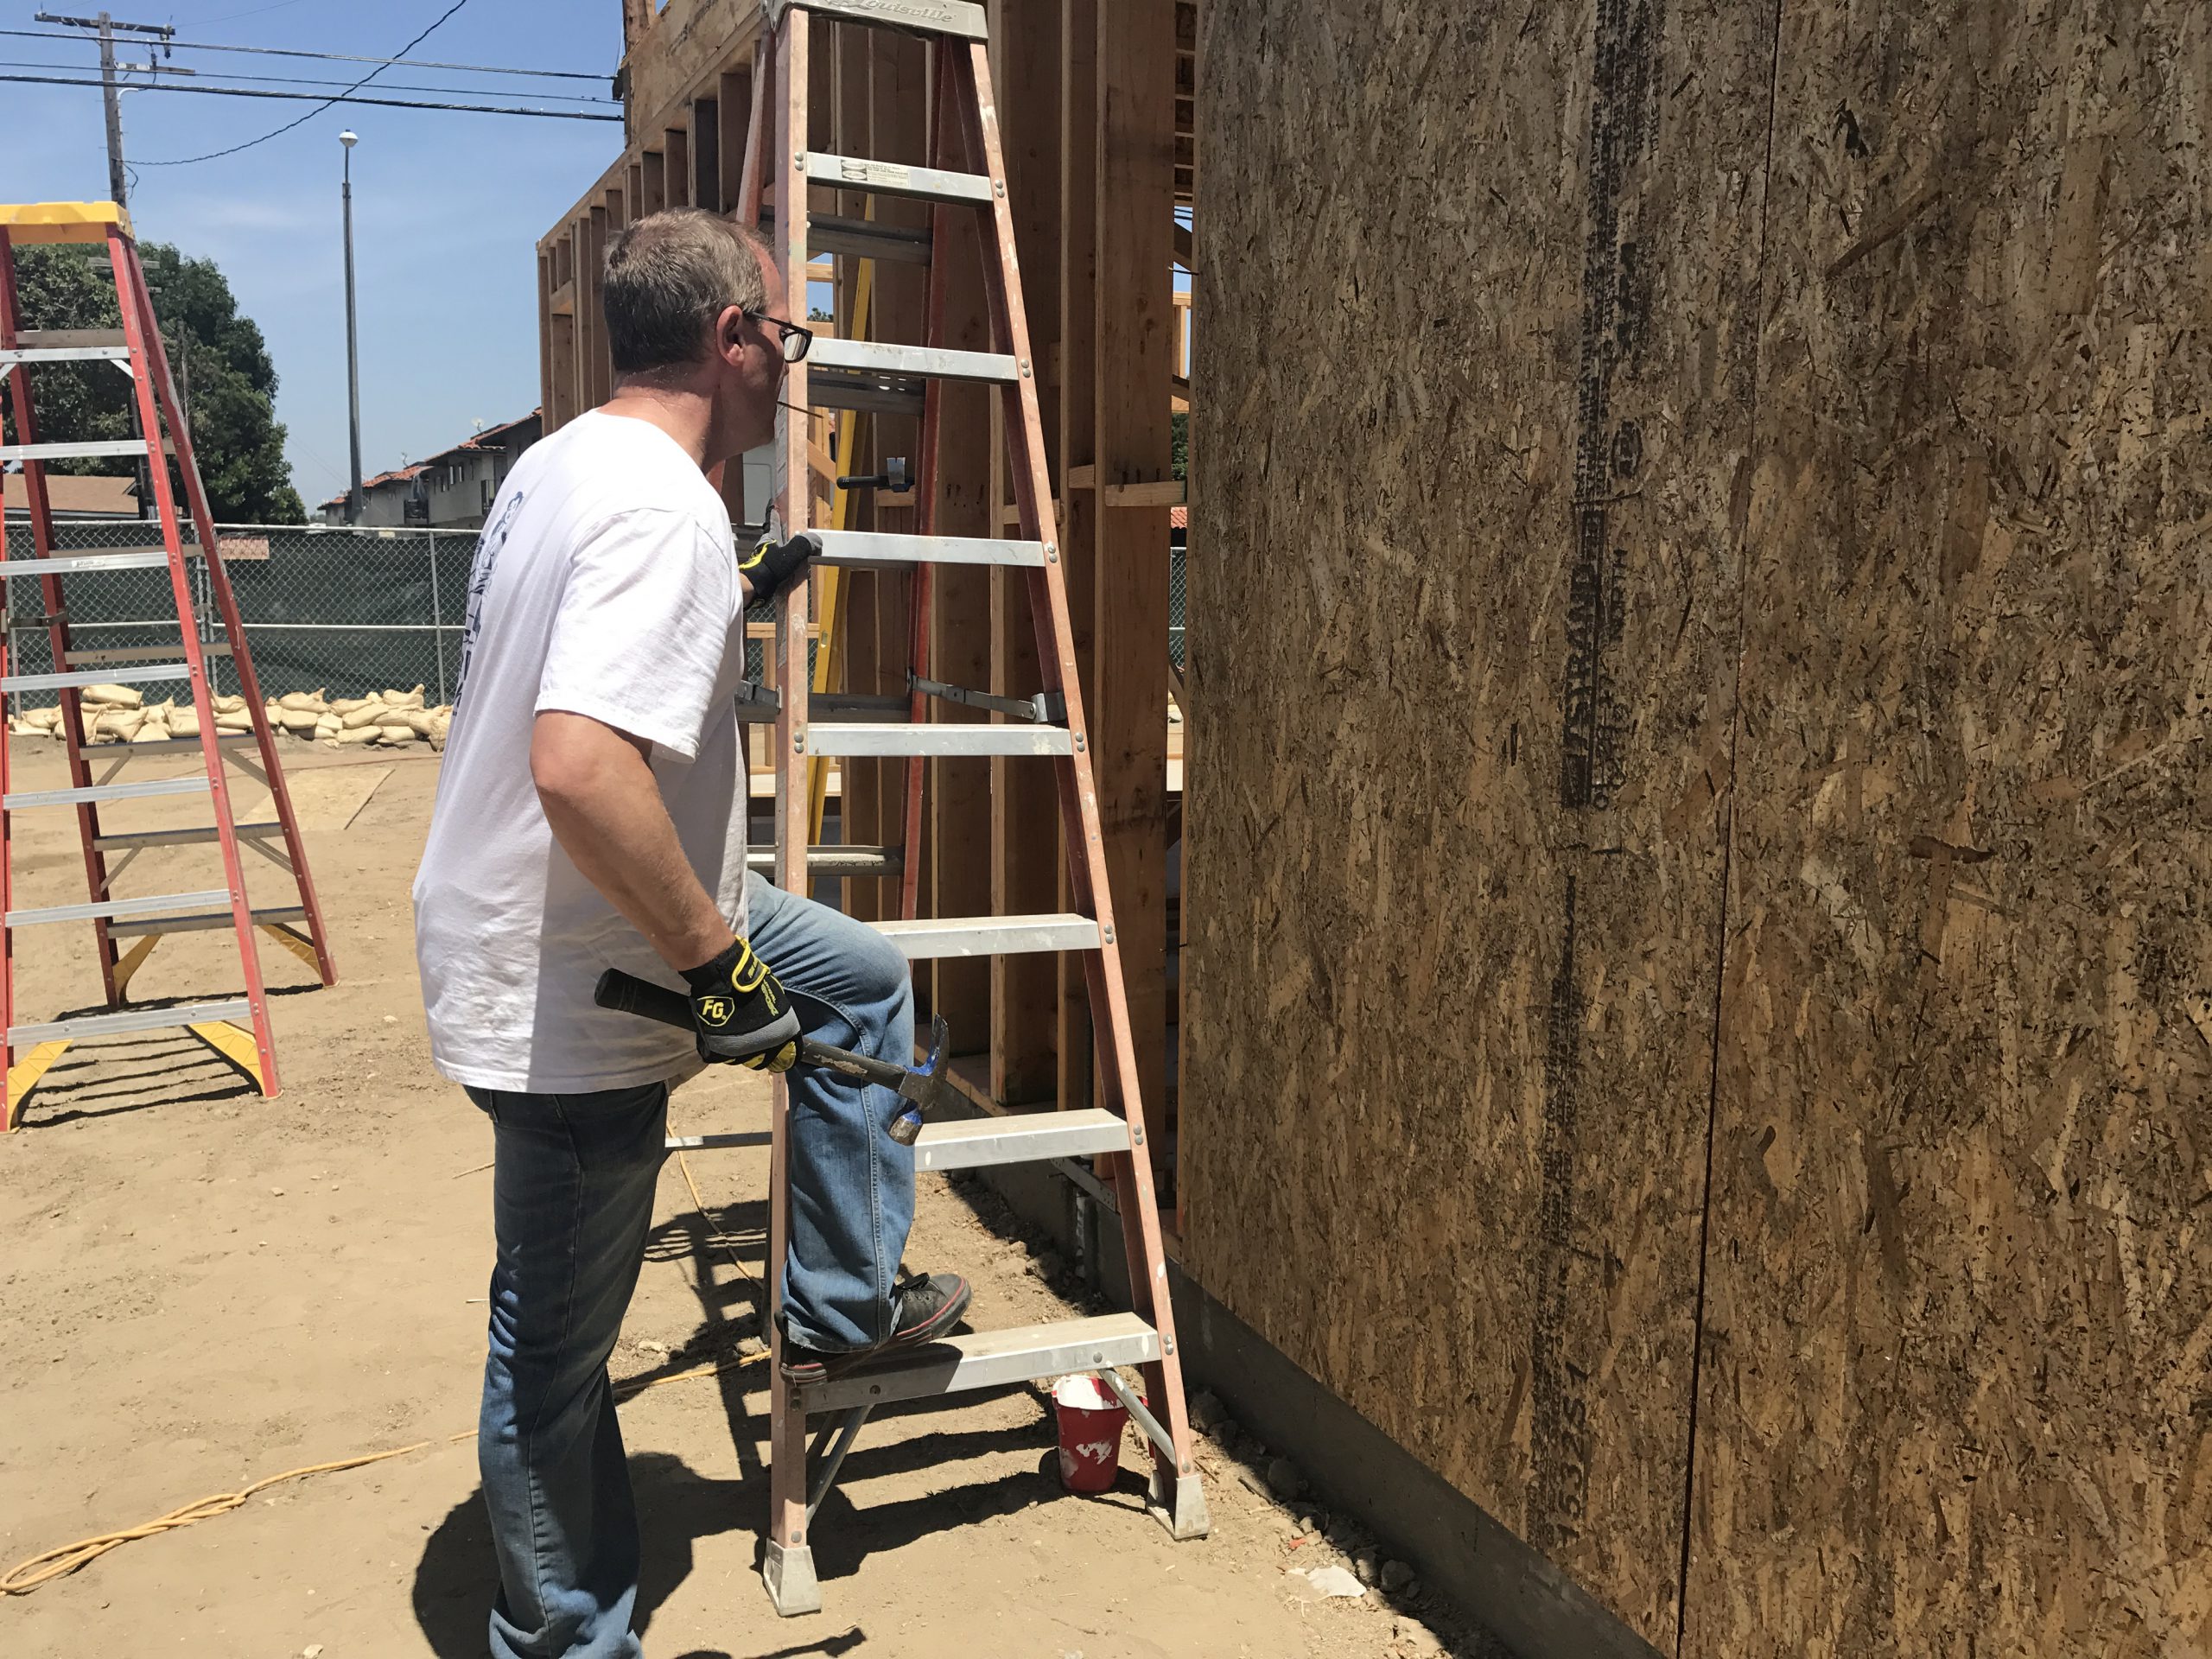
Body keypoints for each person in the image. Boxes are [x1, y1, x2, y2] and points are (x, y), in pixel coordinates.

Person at [411, 208, 972, 1659]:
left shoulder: (564, 462)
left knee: (859, 978)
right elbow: (580, 766)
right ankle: (563, 1639)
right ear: (731, 340)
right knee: (553, 1349)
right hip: (577, 967)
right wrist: (716, 970)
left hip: (580, 903)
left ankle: (841, 1302)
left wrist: (731, 593)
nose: (790, 366)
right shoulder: (659, 505)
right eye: (785, 338)